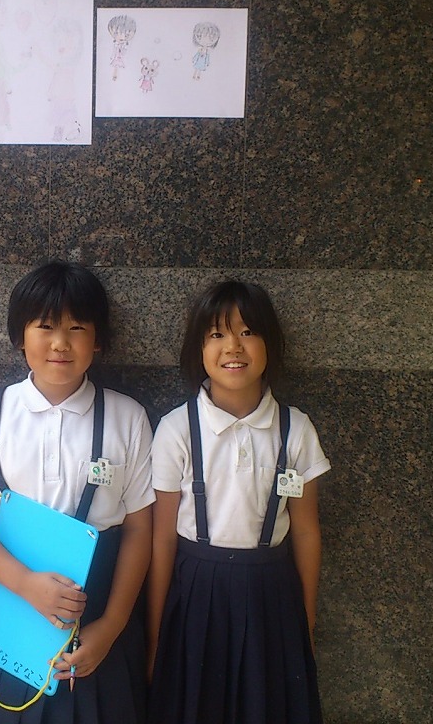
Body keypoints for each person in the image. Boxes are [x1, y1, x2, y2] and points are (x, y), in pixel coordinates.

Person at [0, 261, 154, 724]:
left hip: (97, 605)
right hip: (7, 601)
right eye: (45, 326)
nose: (60, 343)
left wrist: (111, 625)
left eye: (77, 328)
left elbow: (140, 528)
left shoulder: (127, 417)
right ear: (20, 335)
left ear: (98, 340)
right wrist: (24, 584)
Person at [147, 281, 329, 724]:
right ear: (198, 349)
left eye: (248, 332)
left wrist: (305, 623)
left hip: (271, 593)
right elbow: (162, 538)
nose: (233, 347)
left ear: (271, 344)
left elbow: (306, 532)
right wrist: (154, 636)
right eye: (216, 334)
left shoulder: (296, 429)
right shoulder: (177, 428)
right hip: (196, 591)